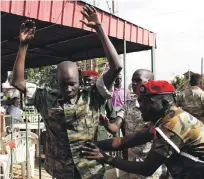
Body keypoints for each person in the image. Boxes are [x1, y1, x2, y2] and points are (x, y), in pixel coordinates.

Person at [11, 5, 122, 179]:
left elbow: (116, 67)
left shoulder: (93, 96)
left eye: (72, 84)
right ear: (56, 82)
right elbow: (17, 82)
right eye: (63, 85)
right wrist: (23, 45)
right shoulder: (45, 98)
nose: (68, 89)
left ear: (79, 78)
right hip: (61, 172)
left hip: (90, 171)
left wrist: (99, 28)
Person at [82, 80, 204, 179]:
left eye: (146, 102)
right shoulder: (163, 119)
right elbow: (126, 140)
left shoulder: (172, 126)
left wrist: (106, 158)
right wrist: (94, 146)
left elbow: (146, 169)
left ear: (164, 103)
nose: (140, 106)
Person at [99, 70, 170, 179]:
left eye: (138, 80)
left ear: (150, 82)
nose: (134, 83)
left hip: (152, 164)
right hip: (132, 164)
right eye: (133, 80)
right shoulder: (128, 105)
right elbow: (116, 129)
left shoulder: (156, 108)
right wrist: (106, 123)